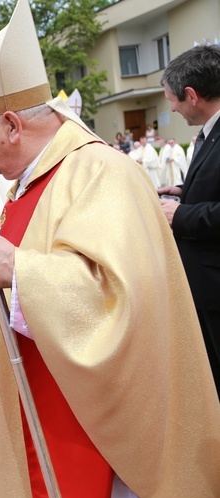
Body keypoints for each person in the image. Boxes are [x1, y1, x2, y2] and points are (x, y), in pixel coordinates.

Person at [0, 1, 220, 497]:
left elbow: (121, 302)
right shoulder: (31, 181)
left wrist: (18, 269)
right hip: (35, 399)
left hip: (87, 430)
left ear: (13, 125)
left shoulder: (101, 173)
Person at [159, 44, 220, 398]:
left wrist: (181, 215)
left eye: (173, 100)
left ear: (192, 95)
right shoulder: (210, 130)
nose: (171, 108)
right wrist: (184, 191)